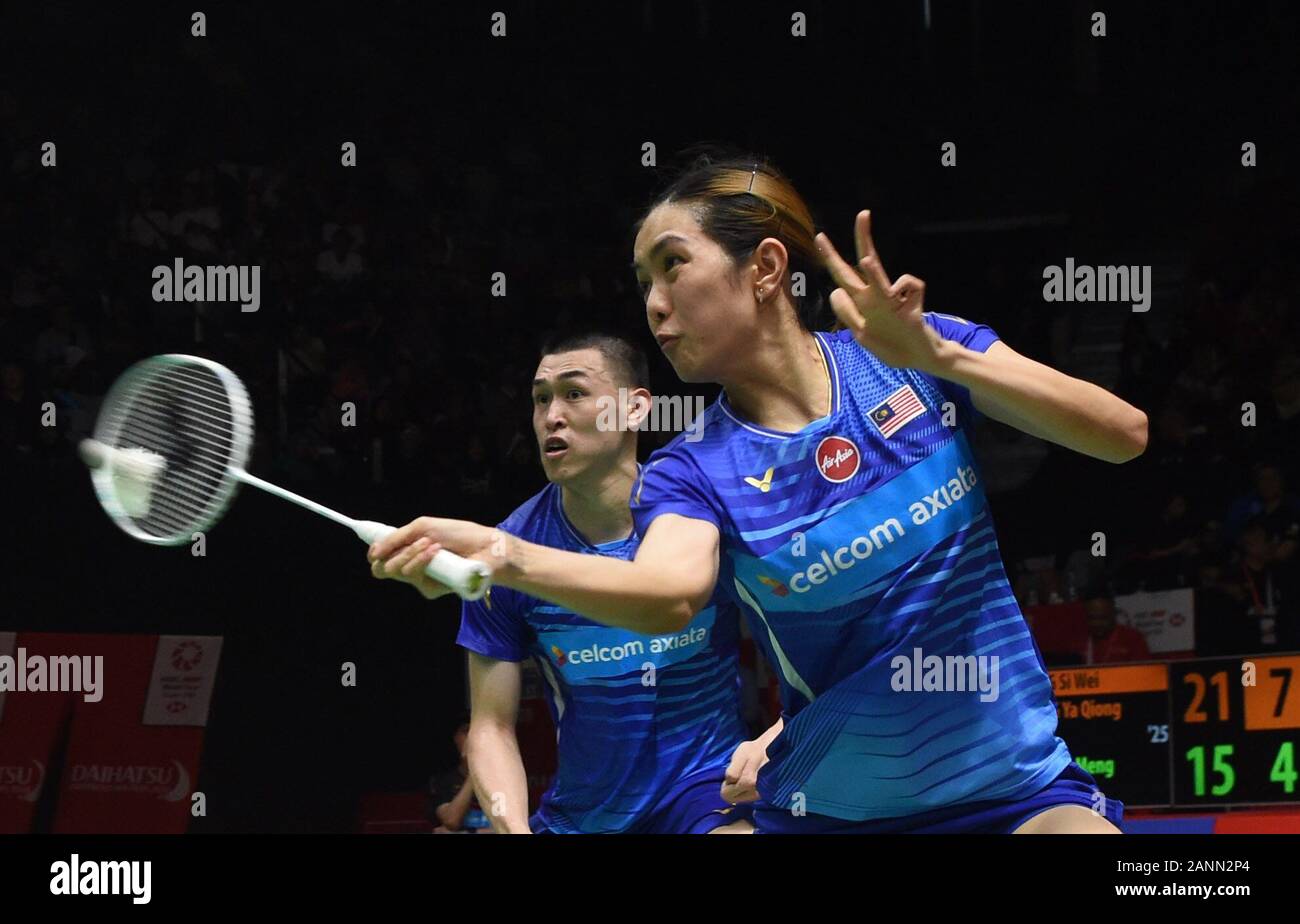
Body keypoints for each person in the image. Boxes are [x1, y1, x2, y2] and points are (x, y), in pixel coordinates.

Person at [370, 152, 1149, 833]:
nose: (654, 304)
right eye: (643, 282)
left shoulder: (916, 359)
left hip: (1015, 794)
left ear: (766, 268)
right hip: (837, 814)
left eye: (673, 265)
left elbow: (1121, 434)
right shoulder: (693, 469)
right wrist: (505, 553)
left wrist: (947, 357)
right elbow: (668, 592)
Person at [376, 330, 753, 833]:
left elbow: (801, 647)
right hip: (585, 814)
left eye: (574, 394)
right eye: (539, 399)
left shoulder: (700, 516)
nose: (551, 416)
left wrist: (776, 735)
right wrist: (513, 829)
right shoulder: (505, 546)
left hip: (707, 792)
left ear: (635, 409)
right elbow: (491, 725)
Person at [1082, 591, 1152, 664]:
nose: (1097, 623)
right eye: (1092, 618)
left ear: (1113, 614)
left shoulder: (1133, 639)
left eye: (1103, 617)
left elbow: (1144, 672)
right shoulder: (1079, 640)